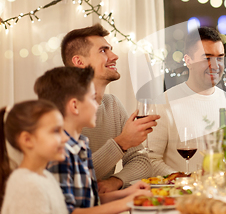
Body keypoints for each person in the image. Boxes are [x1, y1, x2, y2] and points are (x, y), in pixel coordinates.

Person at [35, 66, 151, 214]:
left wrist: (127, 193)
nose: (98, 104)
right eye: (92, 98)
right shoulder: (58, 153)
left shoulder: (80, 146)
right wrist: (127, 202)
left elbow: (89, 203)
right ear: (74, 106)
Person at [60, 24, 160, 192]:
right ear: (79, 62)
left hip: (99, 212)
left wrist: (116, 181)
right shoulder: (58, 110)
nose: (114, 56)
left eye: (110, 50)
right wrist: (122, 143)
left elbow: (142, 162)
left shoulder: (111, 104)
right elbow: (72, 174)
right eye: (103, 51)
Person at [149, 26, 226, 175]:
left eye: (219, 58)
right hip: (180, 194)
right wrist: (184, 181)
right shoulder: (163, 103)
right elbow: (151, 160)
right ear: (188, 61)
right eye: (207, 58)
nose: (215, 65)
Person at [0, 100, 72, 214]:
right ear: (27, 140)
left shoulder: (46, 177)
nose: (65, 138)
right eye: (56, 131)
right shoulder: (27, 186)